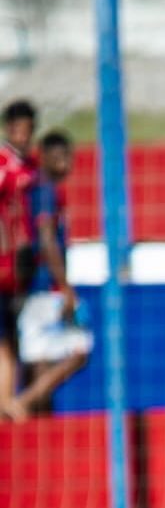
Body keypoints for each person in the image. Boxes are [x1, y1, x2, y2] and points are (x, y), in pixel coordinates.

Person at [13, 129, 92, 417]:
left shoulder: (38, 189)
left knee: (41, 357)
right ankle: (22, 403)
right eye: (57, 158)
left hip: (35, 286)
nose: (64, 164)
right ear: (43, 157)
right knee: (80, 350)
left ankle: (37, 415)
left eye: (67, 158)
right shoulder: (45, 191)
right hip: (45, 286)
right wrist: (65, 285)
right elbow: (46, 239)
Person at [0, 99, 37, 422]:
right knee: (6, 341)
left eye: (26, 129)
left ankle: (11, 400)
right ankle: (5, 403)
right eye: (16, 129)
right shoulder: (2, 163)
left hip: (19, 270)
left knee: (15, 338)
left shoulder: (30, 167)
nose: (21, 135)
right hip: (4, 267)